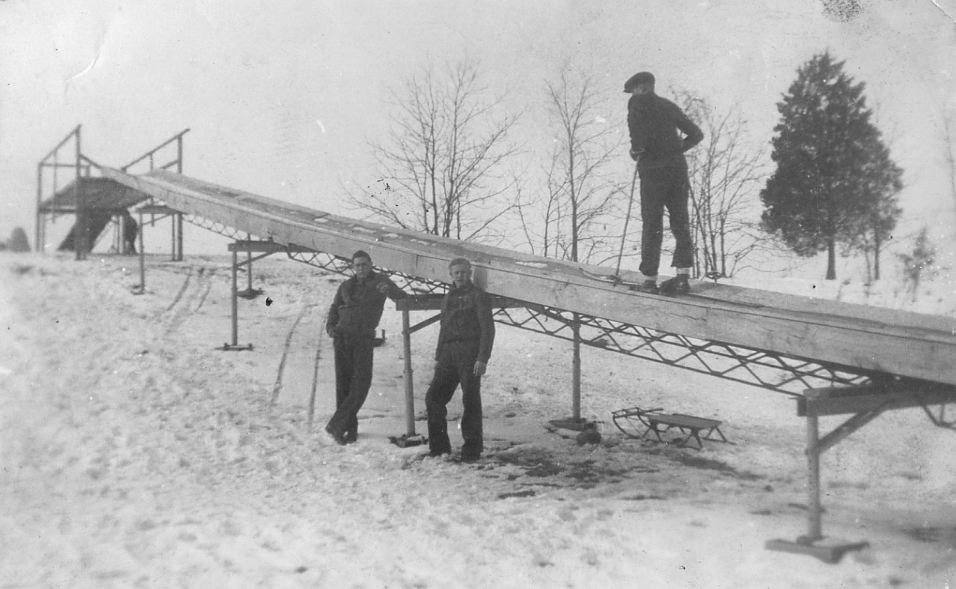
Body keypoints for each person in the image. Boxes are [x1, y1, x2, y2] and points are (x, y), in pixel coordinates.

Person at [624, 71, 704, 295]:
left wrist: (635, 151)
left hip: (652, 172)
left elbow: (637, 142)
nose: (634, 94)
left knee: (652, 224)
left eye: (634, 90)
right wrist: (678, 149)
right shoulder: (668, 106)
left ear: (641, 88)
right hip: (677, 170)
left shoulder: (636, 104)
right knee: (681, 221)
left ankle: (649, 280)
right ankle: (682, 277)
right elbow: (696, 134)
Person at [324, 250, 408, 445]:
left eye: (364, 264)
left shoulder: (381, 281)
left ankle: (336, 424)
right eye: (357, 265)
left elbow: (401, 296)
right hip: (342, 336)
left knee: (361, 383)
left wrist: (389, 291)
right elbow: (335, 307)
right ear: (353, 267)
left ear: (371, 264)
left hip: (363, 338)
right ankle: (346, 431)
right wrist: (329, 327)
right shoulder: (346, 285)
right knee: (343, 386)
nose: (360, 268)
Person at [425, 258, 495, 462]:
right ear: (451, 274)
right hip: (448, 352)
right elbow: (443, 328)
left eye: (463, 272)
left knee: (470, 400)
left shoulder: (478, 296)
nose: (460, 276)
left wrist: (482, 358)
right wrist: (439, 356)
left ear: (470, 273)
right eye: (456, 272)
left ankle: (472, 449)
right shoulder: (448, 298)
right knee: (433, 397)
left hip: (469, 351)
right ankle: (439, 448)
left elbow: (487, 329)